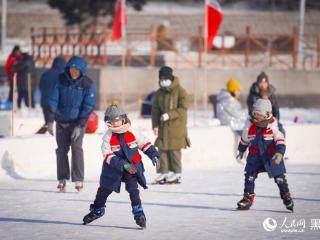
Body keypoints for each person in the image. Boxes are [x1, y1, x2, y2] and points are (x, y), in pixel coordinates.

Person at [82, 101, 160, 228]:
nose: (115, 123)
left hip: (132, 167)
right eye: (112, 121)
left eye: (117, 120)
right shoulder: (108, 136)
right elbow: (107, 154)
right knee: (104, 190)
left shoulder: (132, 131)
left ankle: (138, 211)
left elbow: (144, 144)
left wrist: (154, 155)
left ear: (124, 119)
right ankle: (98, 209)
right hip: (113, 169)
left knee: (133, 190)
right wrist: (121, 164)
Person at [46, 56, 96, 192]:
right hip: (61, 121)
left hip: (77, 122)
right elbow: (52, 100)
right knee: (61, 150)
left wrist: (80, 125)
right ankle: (62, 178)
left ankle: (78, 179)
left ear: (82, 71)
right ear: (68, 69)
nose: (74, 73)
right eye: (72, 70)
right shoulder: (60, 80)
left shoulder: (87, 84)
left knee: (76, 148)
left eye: (77, 71)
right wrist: (50, 120)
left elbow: (88, 106)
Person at [236, 99, 294, 212]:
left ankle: (286, 196)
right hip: (255, 156)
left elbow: (280, 139)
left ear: (267, 114)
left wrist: (280, 152)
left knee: (279, 177)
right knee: (249, 176)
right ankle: (247, 197)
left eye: (259, 114)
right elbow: (245, 139)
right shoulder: (250, 126)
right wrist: (241, 149)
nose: (256, 116)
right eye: (254, 113)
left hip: (271, 156)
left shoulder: (272, 126)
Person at [152, 66, 190, 184]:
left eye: (165, 79)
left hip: (176, 127)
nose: (162, 81)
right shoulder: (159, 93)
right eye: (161, 79)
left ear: (170, 78)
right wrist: (155, 125)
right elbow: (155, 110)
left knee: (174, 150)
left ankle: (176, 173)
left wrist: (170, 115)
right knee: (161, 149)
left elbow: (183, 108)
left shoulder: (180, 91)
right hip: (163, 127)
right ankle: (163, 172)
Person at [216, 77, 247, 159]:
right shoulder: (229, 101)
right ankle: (245, 156)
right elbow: (239, 115)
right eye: (237, 90)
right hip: (232, 123)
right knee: (249, 134)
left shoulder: (225, 99)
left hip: (231, 122)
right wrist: (249, 115)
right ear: (232, 90)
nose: (239, 92)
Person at [39, 57, 66, 126]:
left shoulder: (46, 73)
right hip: (55, 103)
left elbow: (40, 86)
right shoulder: (61, 76)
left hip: (44, 101)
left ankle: (46, 128)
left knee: (48, 121)